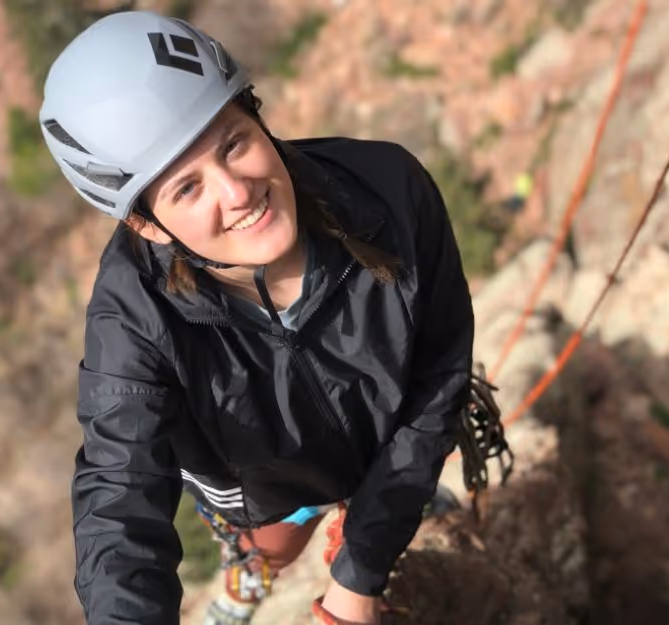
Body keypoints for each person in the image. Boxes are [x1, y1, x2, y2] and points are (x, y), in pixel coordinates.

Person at [40, 10, 477, 625]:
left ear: (256, 113)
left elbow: (438, 376)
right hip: (270, 489)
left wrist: (361, 571)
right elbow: (120, 494)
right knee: (276, 544)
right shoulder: (132, 321)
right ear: (144, 223)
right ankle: (251, 575)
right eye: (186, 189)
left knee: (389, 496)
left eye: (234, 143)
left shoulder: (389, 193)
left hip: (389, 438)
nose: (237, 192)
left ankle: (379, 510)